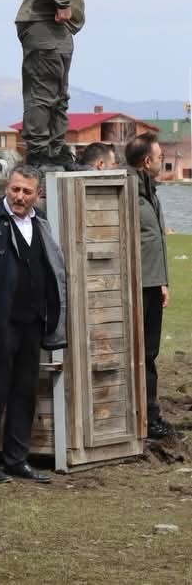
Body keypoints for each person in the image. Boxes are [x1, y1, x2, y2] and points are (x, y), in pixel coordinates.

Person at [0, 165, 66, 484]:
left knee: (25, 391)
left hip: (33, 321)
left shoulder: (41, 222)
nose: (19, 196)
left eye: (26, 191)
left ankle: (16, 460)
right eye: (15, 189)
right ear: (6, 188)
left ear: (38, 194)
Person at [16, 0, 100, 168]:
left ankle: (54, 151)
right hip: (46, 24)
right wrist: (63, 3)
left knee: (57, 94)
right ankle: (41, 155)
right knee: (44, 93)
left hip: (48, 26)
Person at [126, 134, 175, 439]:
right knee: (140, 353)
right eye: (159, 157)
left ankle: (150, 415)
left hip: (152, 285)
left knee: (150, 353)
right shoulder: (127, 191)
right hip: (136, 287)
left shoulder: (149, 191)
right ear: (146, 162)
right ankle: (144, 417)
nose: (162, 161)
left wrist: (162, 282)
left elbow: (155, 241)